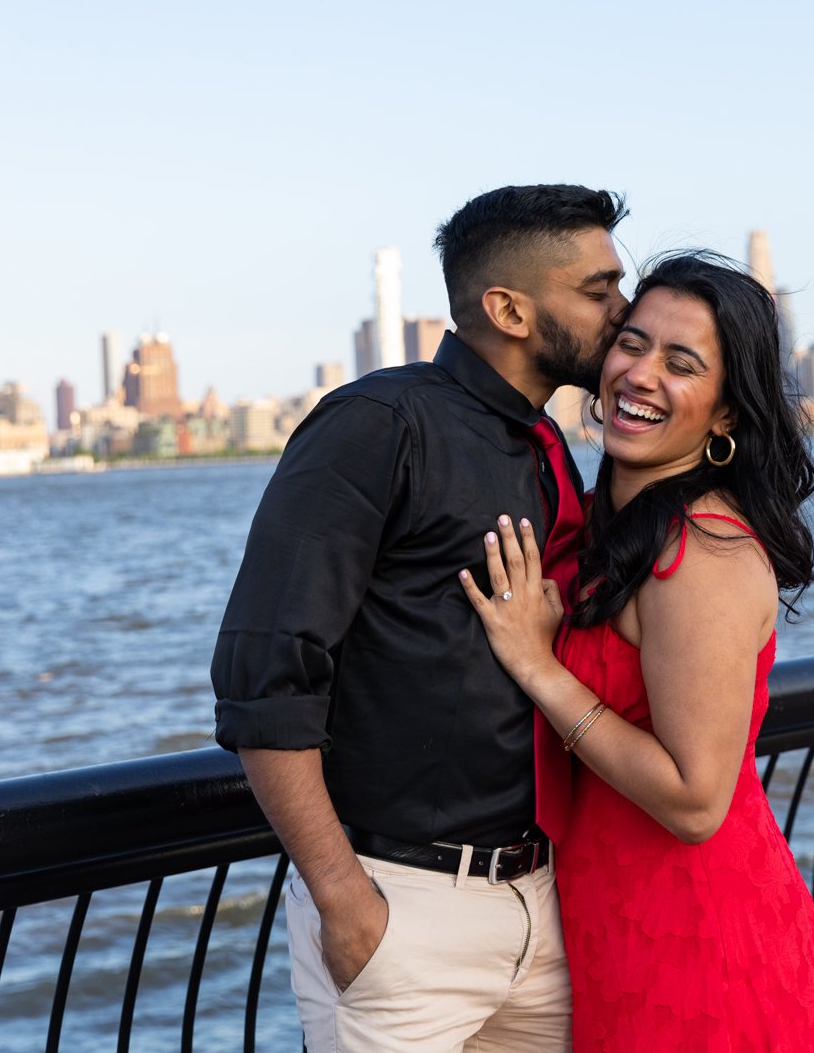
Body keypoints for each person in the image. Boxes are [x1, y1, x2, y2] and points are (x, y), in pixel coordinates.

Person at [210, 184, 628, 1052]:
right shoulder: (376, 424)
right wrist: (344, 898)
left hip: (542, 901)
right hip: (401, 911)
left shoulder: (547, 446)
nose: (622, 313)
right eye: (598, 291)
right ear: (509, 308)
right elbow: (266, 677)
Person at [459, 251, 814, 1051]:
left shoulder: (705, 552)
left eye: (681, 364)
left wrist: (539, 667)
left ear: (725, 416)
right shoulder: (602, 528)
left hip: (699, 937)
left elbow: (694, 800)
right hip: (609, 921)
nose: (641, 374)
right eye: (632, 344)